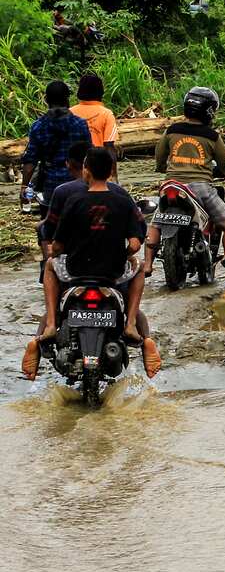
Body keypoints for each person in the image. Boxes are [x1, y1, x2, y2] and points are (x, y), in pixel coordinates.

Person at [22, 147, 164, 380]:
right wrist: (125, 253)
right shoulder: (122, 199)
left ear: (85, 171)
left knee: (49, 266)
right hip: (112, 272)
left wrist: (58, 251)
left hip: (76, 271)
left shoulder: (74, 199)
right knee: (138, 266)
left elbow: (56, 245)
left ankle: (49, 325)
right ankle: (130, 326)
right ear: (110, 172)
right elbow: (136, 243)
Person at [143, 87, 225, 282]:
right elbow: (224, 164)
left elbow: (159, 155)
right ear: (209, 111)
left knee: (156, 223)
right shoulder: (212, 136)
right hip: (201, 188)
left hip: (171, 185)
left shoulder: (171, 131)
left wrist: (162, 167)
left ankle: (147, 264)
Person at [20, 81, 92, 222]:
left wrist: (24, 187)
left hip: (50, 185)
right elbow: (89, 154)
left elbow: (30, 161)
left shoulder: (38, 126)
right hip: (78, 182)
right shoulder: (80, 124)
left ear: (46, 100)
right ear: (68, 99)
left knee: (49, 225)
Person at [71, 73, 118, 176]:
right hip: (97, 168)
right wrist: (113, 175)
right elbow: (109, 146)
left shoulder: (70, 112)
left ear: (80, 91)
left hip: (74, 168)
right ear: (101, 92)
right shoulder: (106, 114)